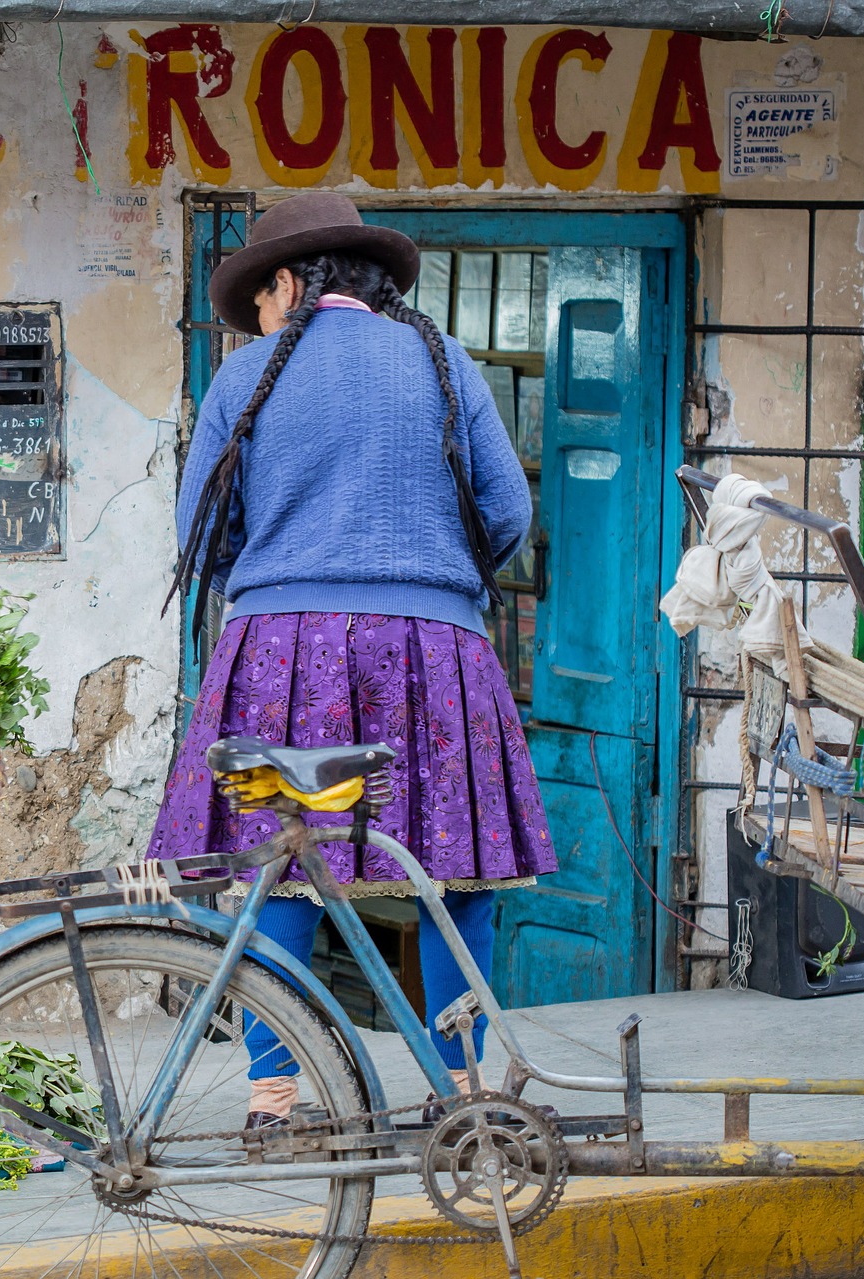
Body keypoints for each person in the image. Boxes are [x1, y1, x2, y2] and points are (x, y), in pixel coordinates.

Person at [144, 191, 558, 1128]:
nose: (257, 316)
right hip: (437, 653)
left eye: (260, 296)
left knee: (275, 865)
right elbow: (505, 514)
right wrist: (429, 579)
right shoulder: (447, 363)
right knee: (459, 872)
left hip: (278, 654)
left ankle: (274, 1093)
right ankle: (464, 1089)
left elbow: (202, 539)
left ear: (288, 282)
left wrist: (287, 572)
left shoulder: (243, 378)